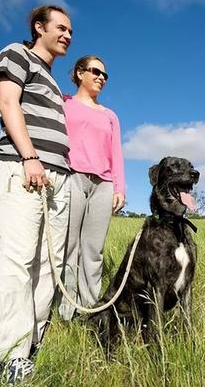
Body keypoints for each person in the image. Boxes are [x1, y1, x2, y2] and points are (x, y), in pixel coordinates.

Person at [0, 5, 73, 384]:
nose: (68, 35)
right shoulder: (17, 54)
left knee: (48, 266)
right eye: (61, 28)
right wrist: (30, 156)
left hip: (57, 177)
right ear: (39, 27)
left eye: (71, 31)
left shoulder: (51, 79)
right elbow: (7, 103)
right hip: (25, 168)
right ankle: (4, 356)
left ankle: (29, 347)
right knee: (17, 261)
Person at [58, 55, 126, 321]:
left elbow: (116, 153)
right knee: (69, 247)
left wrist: (119, 187)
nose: (101, 78)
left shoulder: (110, 115)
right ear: (79, 73)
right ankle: (66, 311)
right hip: (72, 177)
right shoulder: (64, 104)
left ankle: (90, 310)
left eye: (105, 75)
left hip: (103, 185)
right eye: (96, 71)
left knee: (93, 250)